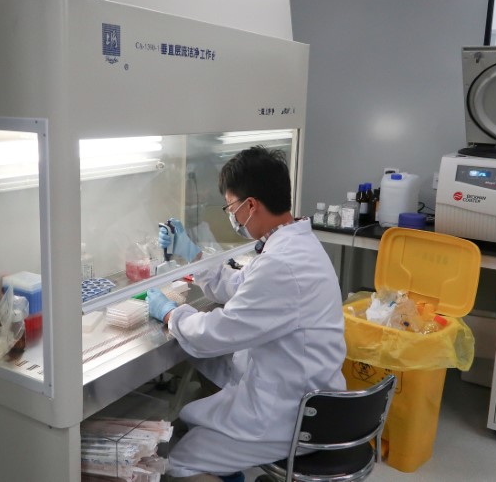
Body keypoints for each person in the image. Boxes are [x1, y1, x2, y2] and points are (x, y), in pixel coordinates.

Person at [146, 146, 346, 481]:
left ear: (251, 205)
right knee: (205, 397)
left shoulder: (282, 263)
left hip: (289, 413)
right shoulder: (296, 245)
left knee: (176, 463)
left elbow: (215, 334)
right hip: (307, 391)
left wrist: (170, 314)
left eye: (231, 208)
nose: (233, 217)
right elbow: (240, 285)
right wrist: (194, 256)